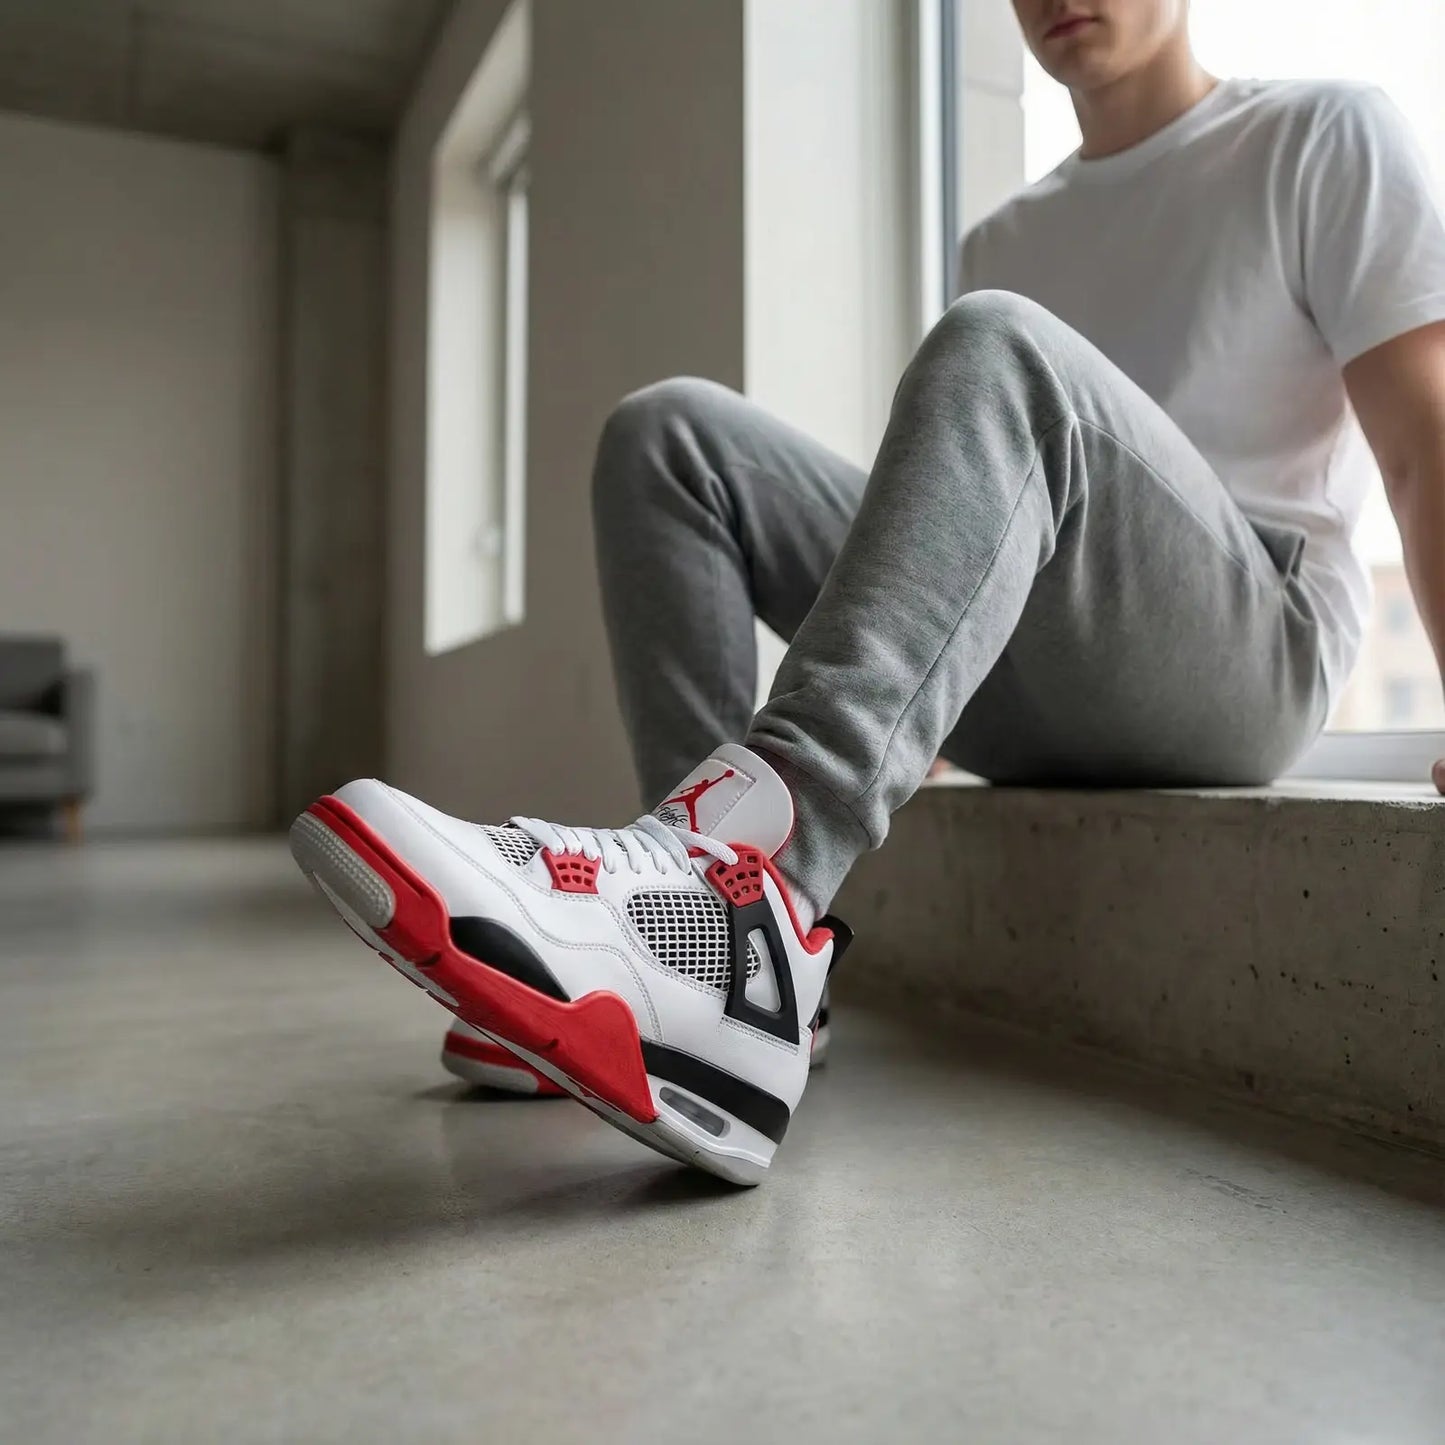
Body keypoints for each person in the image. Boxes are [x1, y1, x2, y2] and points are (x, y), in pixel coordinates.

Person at [292, 0, 1445, 1185]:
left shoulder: (1319, 136)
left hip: (1244, 654)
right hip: (1043, 672)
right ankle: (715, 978)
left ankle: (750, 897)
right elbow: (975, 516)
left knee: (998, 346)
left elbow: (1422, 445)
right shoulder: (1007, 234)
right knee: (670, 436)